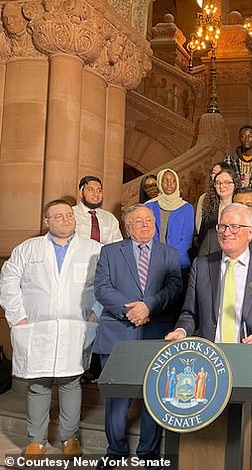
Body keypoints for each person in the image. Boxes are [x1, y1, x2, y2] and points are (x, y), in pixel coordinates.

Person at [166, 203, 252, 470]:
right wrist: (181, 330)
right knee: (210, 443)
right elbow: (190, 313)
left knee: (247, 445)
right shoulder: (202, 266)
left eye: (235, 226)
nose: (226, 232)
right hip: (209, 365)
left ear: (250, 232)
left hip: (250, 364)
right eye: (223, 226)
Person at [0, 199, 102, 458]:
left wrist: (94, 315)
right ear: (46, 221)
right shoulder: (28, 249)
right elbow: (8, 280)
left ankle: (70, 438)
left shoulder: (93, 249)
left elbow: (104, 284)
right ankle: (36, 439)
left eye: (69, 215)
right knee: (39, 385)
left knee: (71, 382)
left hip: (76, 327)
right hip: (36, 329)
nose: (66, 220)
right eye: (58, 216)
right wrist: (18, 317)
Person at [93, 204, 182, 469]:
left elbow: (175, 288)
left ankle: (148, 452)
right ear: (127, 226)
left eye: (150, 220)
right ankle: (115, 451)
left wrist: (149, 306)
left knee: (153, 395)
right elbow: (102, 288)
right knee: (117, 397)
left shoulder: (169, 253)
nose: (146, 225)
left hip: (156, 332)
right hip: (118, 332)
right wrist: (130, 310)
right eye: (139, 221)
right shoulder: (110, 252)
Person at [145, 168, 195, 270]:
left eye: (173, 181)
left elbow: (186, 240)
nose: (169, 184)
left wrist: (170, 259)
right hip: (153, 262)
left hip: (178, 263)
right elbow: (145, 235)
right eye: (165, 180)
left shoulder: (186, 208)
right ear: (159, 183)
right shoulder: (148, 207)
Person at [197, 165, 239, 248]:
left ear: (235, 184)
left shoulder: (240, 207)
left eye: (227, 182)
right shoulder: (210, 208)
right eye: (218, 183)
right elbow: (202, 239)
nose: (222, 186)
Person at [72, 175, 123, 245]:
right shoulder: (71, 214)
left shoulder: (109, 217)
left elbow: (118, 244)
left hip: (104, 255)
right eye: (91, 190)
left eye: (99, 190)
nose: (96, 194)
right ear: (81, 193)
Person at [195, 162, 223, 233]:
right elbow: (198, 225)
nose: (216, 176)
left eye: (219, 173)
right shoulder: (204, 198)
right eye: (213, 173)